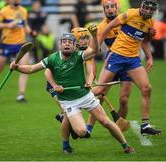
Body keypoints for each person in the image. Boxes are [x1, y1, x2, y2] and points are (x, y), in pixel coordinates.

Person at [10, 24, 135, 154]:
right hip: (69, 102)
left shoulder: (79, 55)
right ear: (60, 45)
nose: (67, 44)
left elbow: (94, 50)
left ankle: (125, 145)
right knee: (81, 132)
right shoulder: (52, 59)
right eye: (64, 42)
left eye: (70, 42)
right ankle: (67, 137)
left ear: (74, 45)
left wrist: (94, 35)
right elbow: (31, 68)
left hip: (86, 96)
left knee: (106, 121)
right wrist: (17, 67)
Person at [93, 0, 162, 135]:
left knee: (146, 88)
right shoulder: (130, 14)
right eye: (146, 8)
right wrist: (96, 48)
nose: (147, 11)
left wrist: (149, 57)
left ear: (154, 11)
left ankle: (145, 125)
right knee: (100, 89)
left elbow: (144, 42)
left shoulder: (150, 22)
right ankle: (69, 108)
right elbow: (108, 28)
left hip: (133, 60)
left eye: (150, 10)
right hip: (117, 56)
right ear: (141, 7)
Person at [86, 0, 133, 134]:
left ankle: (120, 127)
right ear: (104, 10)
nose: (110, 10)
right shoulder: (101, 27)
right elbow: (94, 49)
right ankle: (89, 126)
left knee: (124, 99)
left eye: (112, 7)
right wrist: (92, 69)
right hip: (111, 61)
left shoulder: (126, 21)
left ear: (117, 8)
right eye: (107, 8)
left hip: (128, 62)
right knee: (100, 95)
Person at [45, 27, 96, 140]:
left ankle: (73, 129)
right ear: (75, 41)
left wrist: (90, 81)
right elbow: (47, 72)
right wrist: (55, 86)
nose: (85, 41)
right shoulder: (66, 52)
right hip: (56, 85)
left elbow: (90, 71)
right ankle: (67, 142)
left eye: (87, 38)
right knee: (68, 113)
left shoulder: (85, 52)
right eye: (82, 38)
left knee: (70, 113)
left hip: (72, 85)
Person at [0, 0, 31, 102]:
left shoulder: (23, 10)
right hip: (6, 44)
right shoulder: (4, 11)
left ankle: (21, 95)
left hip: (21, 44)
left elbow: (25, 26)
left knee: (25, 69)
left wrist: (31, 31)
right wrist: (7, 25)